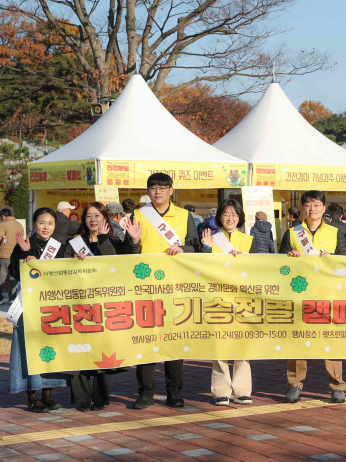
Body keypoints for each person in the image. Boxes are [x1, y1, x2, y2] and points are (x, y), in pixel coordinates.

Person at [123, 173, 201, 410]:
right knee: (146, 342)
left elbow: (196, 248)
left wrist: (183, 249)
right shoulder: (137, 215)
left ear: (171, 190)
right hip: (146, 288)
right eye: (153, 188)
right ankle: (146, 392)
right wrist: (134, 241)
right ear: (148, 190)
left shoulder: (184, 216)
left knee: (174, 343)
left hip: (175, 287)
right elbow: (127, 254)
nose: (157, 191)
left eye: (162, 187)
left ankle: (174, 392)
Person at [279, 190, 346, 404]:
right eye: (308, 204)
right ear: (302, 208)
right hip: (299, 296)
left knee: (331, 341)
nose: (312, 208)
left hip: (328, 295)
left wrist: (333, 259)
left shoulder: (336, 232)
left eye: (317, 204)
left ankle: (337, 386)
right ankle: (294, 385)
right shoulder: (292, 233)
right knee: (298, 341)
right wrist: (289, 258)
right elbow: (279, 265)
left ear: (324, 208)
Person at [64, 203, 127, 411]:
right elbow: (61, 270)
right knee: (78, 350)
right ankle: (82, 398)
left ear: (105, 219)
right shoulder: (73, 243)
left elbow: (114, 267)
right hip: (78, 303)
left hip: (102, 305)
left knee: (101, 350)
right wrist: (72, 262)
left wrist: (102, 240)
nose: (93, 219)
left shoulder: (114, 241)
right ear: (83, 219)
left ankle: (99, 397)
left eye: (97, 215)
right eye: (89, 216)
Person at [8, 207, 68, 412]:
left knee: (50, 349)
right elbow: (15, 272)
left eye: (50, 223)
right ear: (34, 224)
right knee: (28, 349)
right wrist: (25, 252)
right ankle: (32, 397)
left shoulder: (60, 247)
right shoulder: (26, 243)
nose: (46, 227)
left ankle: (48, 395)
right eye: (42, 223)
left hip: (51, 307)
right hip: (29, 306)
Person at [200, 199, 256, 406]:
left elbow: (258, 268)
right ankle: (221, 390)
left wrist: (244, 261)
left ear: (240, 218)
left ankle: (242, 390)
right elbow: (201, 268)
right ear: (219, 218)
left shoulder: (249, 240)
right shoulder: (211, 239)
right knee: (220, 344)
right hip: (218, 298)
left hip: (242, 298)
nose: (230, 218)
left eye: (234, 214)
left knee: (242, 343)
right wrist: (205, 248)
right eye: (226, 214)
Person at [0, 207, 24, 305]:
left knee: (1, 277)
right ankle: (13, 298)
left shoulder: (2, 225)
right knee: (14, 278)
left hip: (4, 254)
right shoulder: (19, 225)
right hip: (16, 255)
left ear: (3, 216)